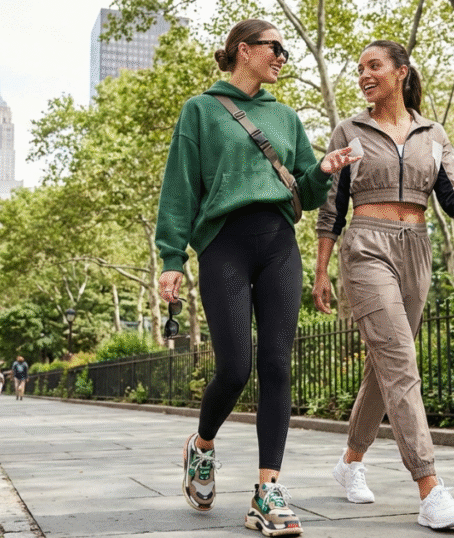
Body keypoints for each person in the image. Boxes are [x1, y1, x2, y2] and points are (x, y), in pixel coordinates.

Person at [155, 18, 359, 537]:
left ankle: (267, 491)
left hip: (278, 246)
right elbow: (180, 189)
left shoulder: (286, 117)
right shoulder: (200, 111)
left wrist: (325, 169)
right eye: (275, 48)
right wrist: (172, 258)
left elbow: (308, 195)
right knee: (235, 367)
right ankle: (202, 446)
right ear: (244, 50)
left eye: (285, 51)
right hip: (223, 246)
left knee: (276, 363)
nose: (282, 57)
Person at [314, 40, 454, 530]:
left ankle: (350, 463)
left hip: (417, 248)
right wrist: (321, 270)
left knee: (385, 367)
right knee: (400, 361)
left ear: (400, 73)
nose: (363, 74)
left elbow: (452, 193)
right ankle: (430, 488)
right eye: (359, 68)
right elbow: (332, 206)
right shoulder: (350, 130)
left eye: (373, 66)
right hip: (366, 247)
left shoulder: (432, 132)